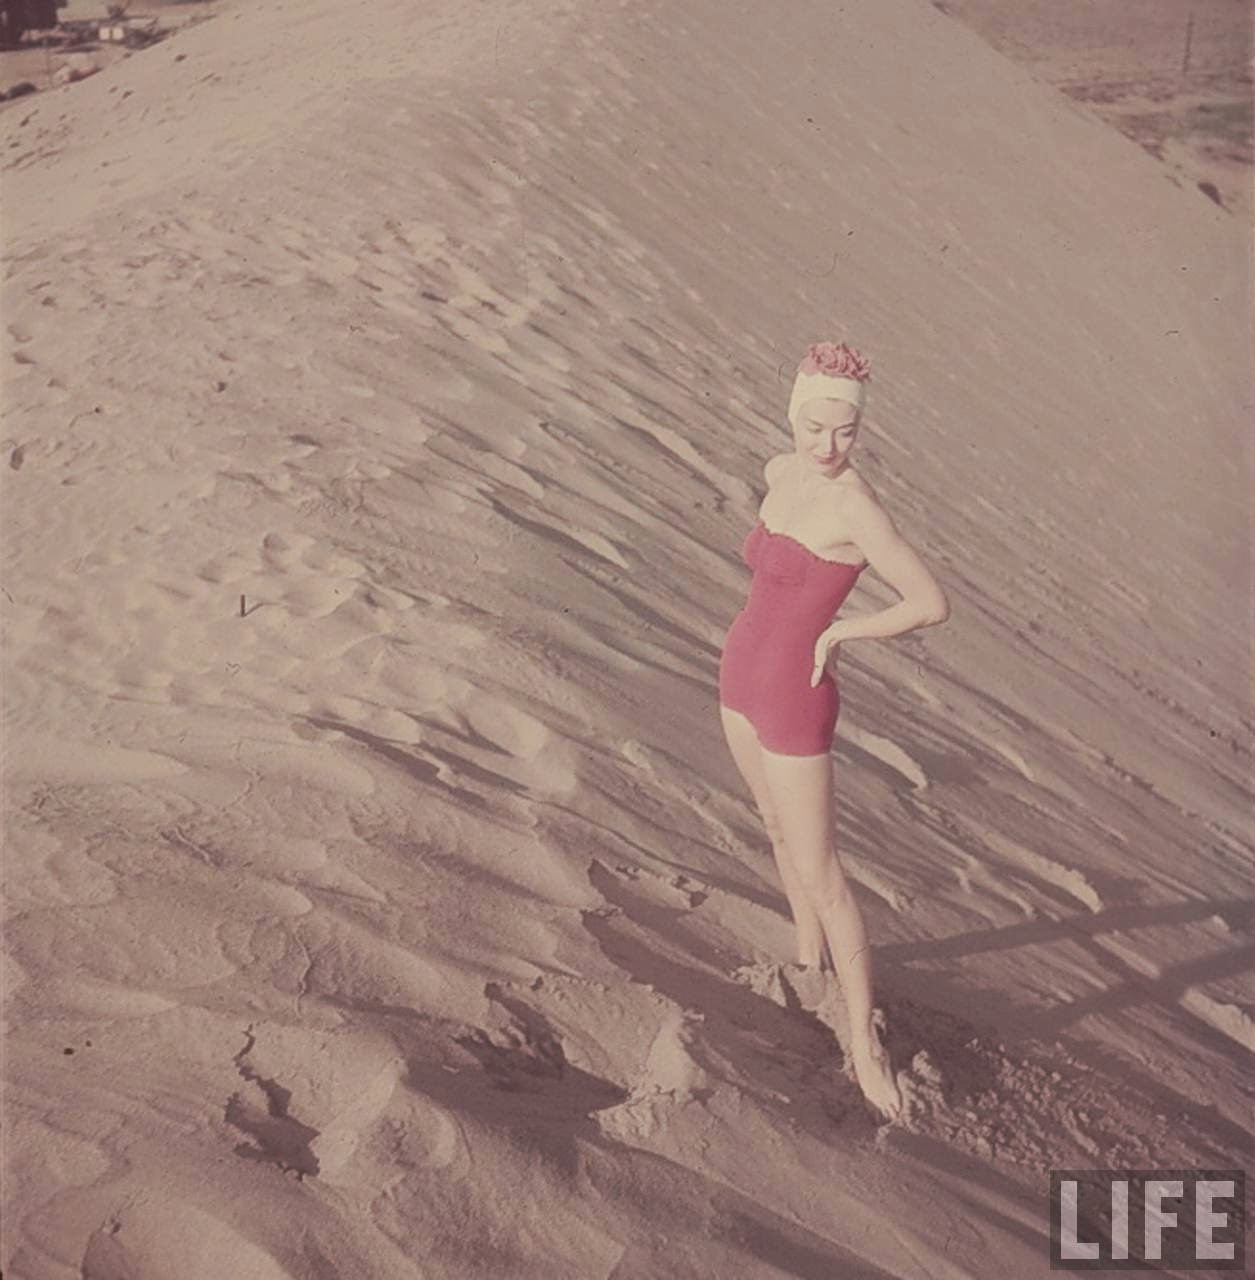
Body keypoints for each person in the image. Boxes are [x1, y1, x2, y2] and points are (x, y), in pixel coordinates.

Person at [717, 340, 950, 1122]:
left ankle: (863, 1043)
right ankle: (806, 958)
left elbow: (927, 601)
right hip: (738, 673)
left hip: (795, 693)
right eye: (814, 428)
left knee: (823, 871)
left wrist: (842, 635)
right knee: (773, 826)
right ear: (792, 418)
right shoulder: (779, 473)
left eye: (843, 432)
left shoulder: (855, 506)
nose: (827, 446)